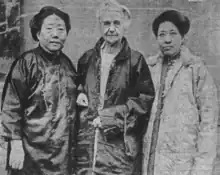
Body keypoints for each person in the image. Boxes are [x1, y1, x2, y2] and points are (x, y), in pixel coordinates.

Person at [75, 0, 155, 174]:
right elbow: (78, 84)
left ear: (125, 26)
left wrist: (110, 117)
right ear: (99, 25)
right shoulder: (87, 59)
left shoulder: (135, 61)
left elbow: (144, 101)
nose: (111, 29)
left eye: (116, 23)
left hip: (118, 148)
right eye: (106, 23)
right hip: (87, 145)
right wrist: (80, 91)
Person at [0, 6, 78, 175]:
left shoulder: (68, 66)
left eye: (61, 29)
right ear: (37, 33)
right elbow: (11, 106)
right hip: (31, 153)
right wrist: (16, 145)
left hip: (62, 155)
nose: (55, 34)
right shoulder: (26, 63)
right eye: (49, 29)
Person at [143, 9, 219, 175]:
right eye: (162, 34)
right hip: (150, 162)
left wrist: (202, 169)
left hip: (183, 163)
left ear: (183, 37)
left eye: (173, 33)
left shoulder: (196, 70)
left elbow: (209, 124)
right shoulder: (148, 69)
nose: (167, 39)